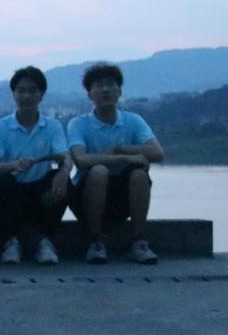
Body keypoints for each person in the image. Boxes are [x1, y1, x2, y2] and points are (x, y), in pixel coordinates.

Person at [67, 63, 165, 264]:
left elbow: (157, 153)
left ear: (119, 91)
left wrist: (122, 148)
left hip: (122, 199)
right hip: (85, 197)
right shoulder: (78, 124)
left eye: (111, 84)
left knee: (139, 175)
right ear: (89, 94)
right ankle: (95, 241)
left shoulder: (133, 121)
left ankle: (139, 241)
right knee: (99, 171)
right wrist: (125, 159)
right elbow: (81, 160)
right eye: (99, 85)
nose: (105, 90)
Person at [0, 66, 71, 265]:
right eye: (21, 91)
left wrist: (64, 172)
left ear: (41, 94)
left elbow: (64, 156)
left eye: (32, 91)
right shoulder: (0, 127)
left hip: (40, 192)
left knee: (64, 183)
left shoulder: (52, 126)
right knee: (0, 183)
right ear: (14, 94)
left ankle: (44, 241)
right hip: (14, 191)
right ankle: (12, 241)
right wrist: (13, 165)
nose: (26, 96)